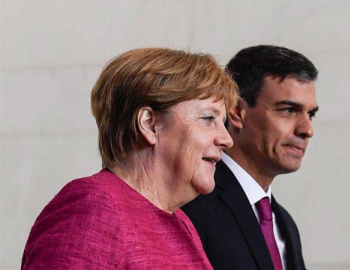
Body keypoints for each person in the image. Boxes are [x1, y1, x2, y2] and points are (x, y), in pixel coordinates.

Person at [21, 48, 238, 269]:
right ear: (149, 124)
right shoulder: (94, 208)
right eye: (208, 118)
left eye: (223, 122)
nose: (226, 139)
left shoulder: (181, 223)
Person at [182, 45, 318, 270]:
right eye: (288, 110)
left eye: (310, 114)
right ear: (236, 112)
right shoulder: (191, 204)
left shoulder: (284, 223)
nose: (307, 129)